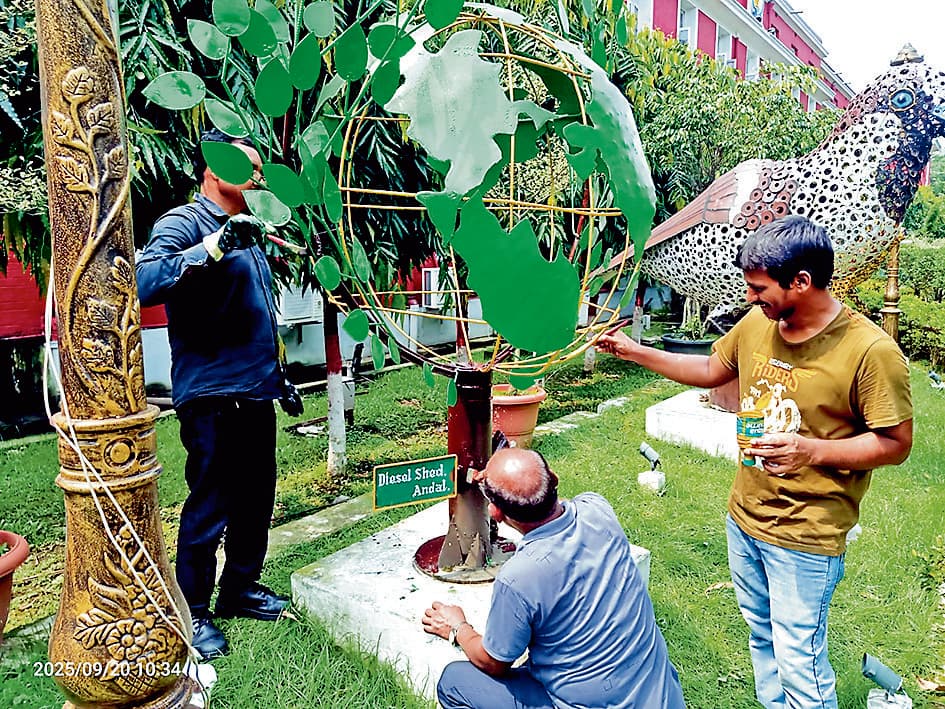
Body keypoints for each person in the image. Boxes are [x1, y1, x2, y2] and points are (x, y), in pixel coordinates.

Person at [597, 216, 913, 708]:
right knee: (762, 641)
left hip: (807, 532)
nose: (750, 297)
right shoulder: (758, 322)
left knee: (798, 657)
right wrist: (635, 351)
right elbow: (708, 368)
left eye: (759, 287)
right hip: (745, 517)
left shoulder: (870, 350)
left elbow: (896, 443)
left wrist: (812, 450)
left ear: (802, 282)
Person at [136, 129, 303, 660]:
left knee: (256, 499)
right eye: (247, 168)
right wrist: (213, 246)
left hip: (254, 389)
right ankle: (193, 612)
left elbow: (257, 313)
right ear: (213, 168)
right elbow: (143, 281)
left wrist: (281, 378)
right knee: (211, 505)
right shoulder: (185, 223)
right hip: (212, 394)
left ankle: (241, 590)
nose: (258, 178)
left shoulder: (252, 230)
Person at [421, 447, 686, 709]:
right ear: (555, 478)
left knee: (454, 682)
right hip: (659, 697)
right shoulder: (598, 509)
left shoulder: (518, 578)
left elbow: (494, 662)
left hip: (585, 703)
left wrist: (458, 627)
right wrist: (515, 476)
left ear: (496, 514)